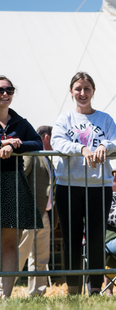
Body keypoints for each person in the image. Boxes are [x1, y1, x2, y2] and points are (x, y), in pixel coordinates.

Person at [52, 72, 116, 295]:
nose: (82, 93)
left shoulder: (105, 119)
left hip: (98, 187)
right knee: (71, 239)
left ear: (93, 91)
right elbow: (57, 141)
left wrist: (105, 146)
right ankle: (73, 290)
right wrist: (81, 149)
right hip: (68, 185)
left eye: (87, 89)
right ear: (71, 91)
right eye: (78, 89)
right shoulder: (64, 118)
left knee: (96, 239)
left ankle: (95, 289)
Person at [0, 76, 43, 298]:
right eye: (0, 90)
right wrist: (2, 144)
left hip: (11, 181)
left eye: (9, 90)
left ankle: (5, 297)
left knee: (9, 243)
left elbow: (38, 143)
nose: (5, 94)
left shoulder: (20, 122)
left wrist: (17, 144)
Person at [18, 125, 53, 296]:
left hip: (43, 213)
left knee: (41, 255)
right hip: (29, 211)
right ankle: (4, 289)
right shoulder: (33, 154)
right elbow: (21, 178)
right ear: (46, 137)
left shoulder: (49, 158)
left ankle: (37, 293)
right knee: (20, 252)